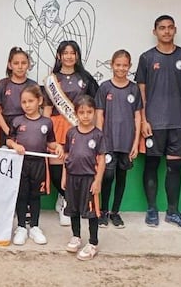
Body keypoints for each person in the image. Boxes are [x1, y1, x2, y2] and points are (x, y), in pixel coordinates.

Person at [136, 15, 181, 229]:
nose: (166, 31)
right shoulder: (146, 58)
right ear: (155, 32)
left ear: (175, 30)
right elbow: (141, 91)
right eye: (162, 28)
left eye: (170, 28)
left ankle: (173, 211)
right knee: (151, 165)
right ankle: (152, 209)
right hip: (153, 123)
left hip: (177, 123)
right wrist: (143, 120)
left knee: (174, 168)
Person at [43, 40, 98, 227]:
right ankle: (65, 197)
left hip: (79, 127)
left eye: (72, 52)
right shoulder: (52, 80)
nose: (68, 56)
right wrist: (44, 131)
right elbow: (47, 108)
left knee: (76, 166)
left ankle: (69, 202)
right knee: (57, 167)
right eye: (65, 52)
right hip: (57, 125)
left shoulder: (86, 78)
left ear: (77, 55)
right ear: (59, 55)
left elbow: (95, 106)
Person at [6, 85, 64, 246]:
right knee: (22, 195)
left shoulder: (47, 122)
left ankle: (35, 227)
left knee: (35, 195)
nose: (27, 105)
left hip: (38, 164)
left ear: (39, 101)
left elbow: (50, 142)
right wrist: (15, 146)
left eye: (31, 101)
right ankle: (21, 227)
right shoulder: (17, 121)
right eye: (24, 102)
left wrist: (58, 147)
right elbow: (8, 140)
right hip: (22, 163)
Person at [95, 50, 142, 229]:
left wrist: (136, 143)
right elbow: (99, 116)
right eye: (118, 65)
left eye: (125, 65)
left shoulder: (134, 88)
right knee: (107, 176)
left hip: (126, 142)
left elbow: (138, 117)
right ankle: (104, 211)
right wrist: (100, 142)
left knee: (121, 177)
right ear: (111, 65)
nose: (121, 68)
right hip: (108, 142)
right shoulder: (105, 88)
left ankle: (115, 212)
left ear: (129, 67)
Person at [62, 95, 107, 261]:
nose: (86, 115)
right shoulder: (71, 133)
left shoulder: (98, 135)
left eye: (89, 112)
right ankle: (76, 236)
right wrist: (64, 176)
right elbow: (66, 155)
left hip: (89, 179)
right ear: (76, 114)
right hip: (72, 177)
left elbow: (102, 159)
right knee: (73, 209)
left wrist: (98, 181)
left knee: (91, 213)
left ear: (94, 113)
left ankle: (93, 243)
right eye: (82, 112)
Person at [0, 47, 38, 148]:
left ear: (28, 65)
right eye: (16, 63)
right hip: (7, 127)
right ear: (10, 65)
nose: (20, 67)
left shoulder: (33, 85)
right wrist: (8, 131)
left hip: (28, 127)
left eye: (24, 63)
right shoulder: (2, 84)